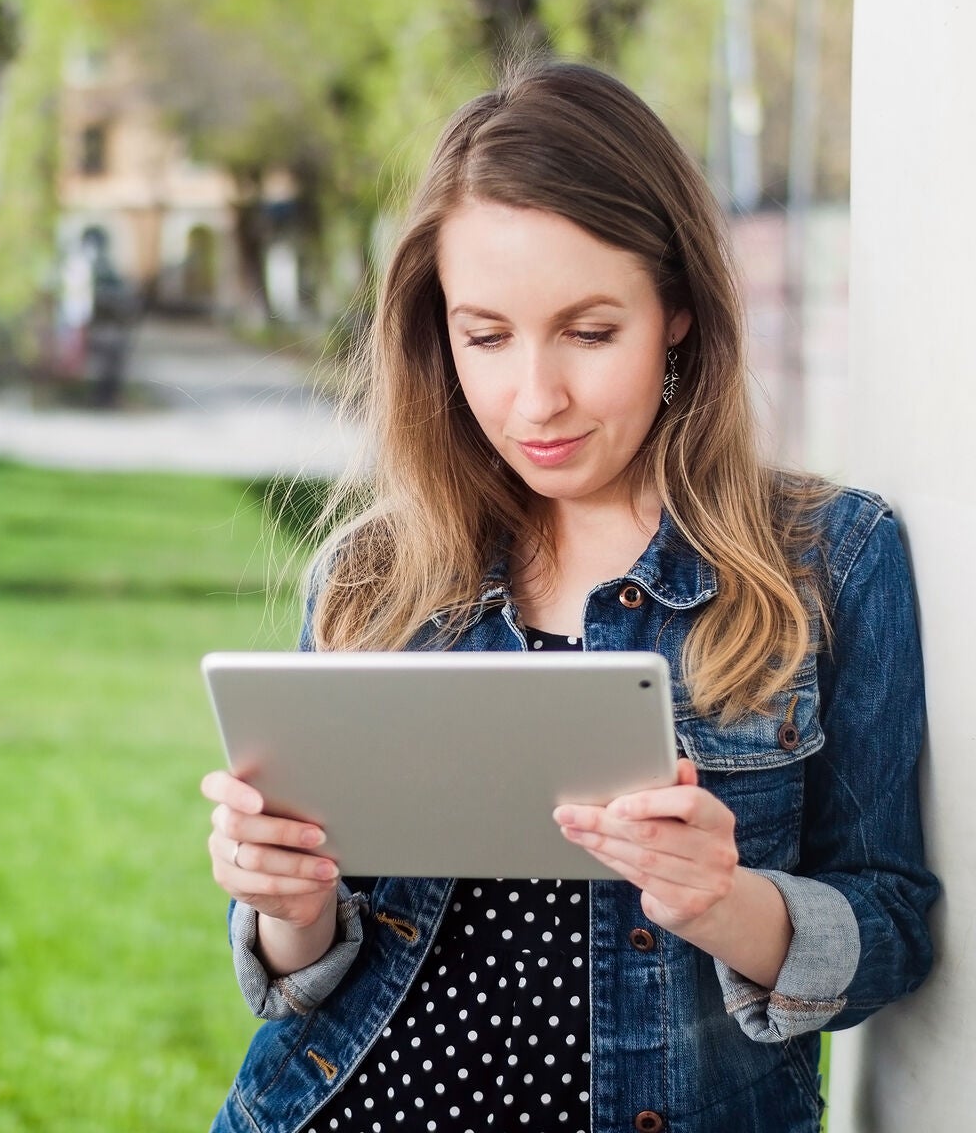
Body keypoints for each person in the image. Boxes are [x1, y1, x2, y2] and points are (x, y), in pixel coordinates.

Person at [199, 60, 938, 1133]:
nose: (533, 398)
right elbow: (303, 975)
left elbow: (895, 926)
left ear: (678, 310)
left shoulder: (832, 561)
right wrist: (284, 907)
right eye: (485, 337)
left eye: (591, 334)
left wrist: (726, 905)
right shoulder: (370, 578)